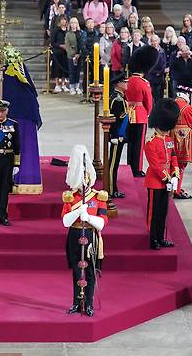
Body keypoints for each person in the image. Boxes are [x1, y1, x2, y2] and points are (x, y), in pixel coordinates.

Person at [61, 144, 108, 317]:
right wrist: (76, 213)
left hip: (91, 235)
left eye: (85, 179)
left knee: (89, 271)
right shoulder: (70, 197)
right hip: (74, 234)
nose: (83, 183)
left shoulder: (98, 196)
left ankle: (89, 303)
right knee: (76, 270)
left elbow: (102, 223)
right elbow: (65, 221)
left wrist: (88, 217)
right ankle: (75, 302)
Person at [145, 98, 180, 250]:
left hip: (167, 181)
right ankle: (153, 239)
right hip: (155, 182)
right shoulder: (150, 142)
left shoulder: (169, 139)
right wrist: (168, 179)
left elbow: (173, 157)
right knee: (154, 213)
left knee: (163, 213)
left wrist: (175, 175)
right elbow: (155, 166)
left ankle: (161, 237)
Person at [125, 45, 156, 177]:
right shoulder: (144, 83)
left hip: (128, 114)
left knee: (131, 143)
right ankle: (136, 169)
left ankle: (128, 165)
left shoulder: (127, 81)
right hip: (140, 115)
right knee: (139, 144)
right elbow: (148, 102)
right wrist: (148, 113)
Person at [172, 86, 192, 199]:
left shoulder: (171, 105)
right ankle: (177, 189)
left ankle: (174, 186)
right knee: (180, 165)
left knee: (173, 163)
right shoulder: (187, 108)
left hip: (171, 137)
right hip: (184, 140)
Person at [107, 71, 129, 198]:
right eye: (124, 82)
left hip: (121, 136)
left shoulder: (121, 97)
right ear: (118, 84)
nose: (126, 84)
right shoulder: (117, 99)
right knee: (113, 164)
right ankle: (111, 189)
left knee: (115, 163)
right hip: (117, 136)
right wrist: (114, 135)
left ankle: (113, 188)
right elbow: (113, 119)